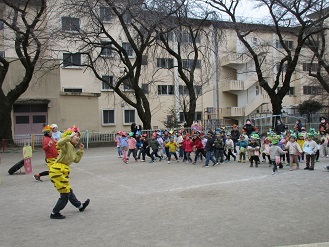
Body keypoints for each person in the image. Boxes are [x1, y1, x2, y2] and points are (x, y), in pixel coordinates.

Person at [49, 125, 89, 219]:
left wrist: (81, 150)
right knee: (65, 193)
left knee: (68, 191)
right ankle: (54, 212)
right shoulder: (66, 144)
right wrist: (69, 137)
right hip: (57, 171)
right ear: (70, 135)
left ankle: (80, 206)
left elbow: (76, 159)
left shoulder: (71, 148)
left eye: (78, 136)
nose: (78, 137)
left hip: (63, 172)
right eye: (76, 135)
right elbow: (59, 143)